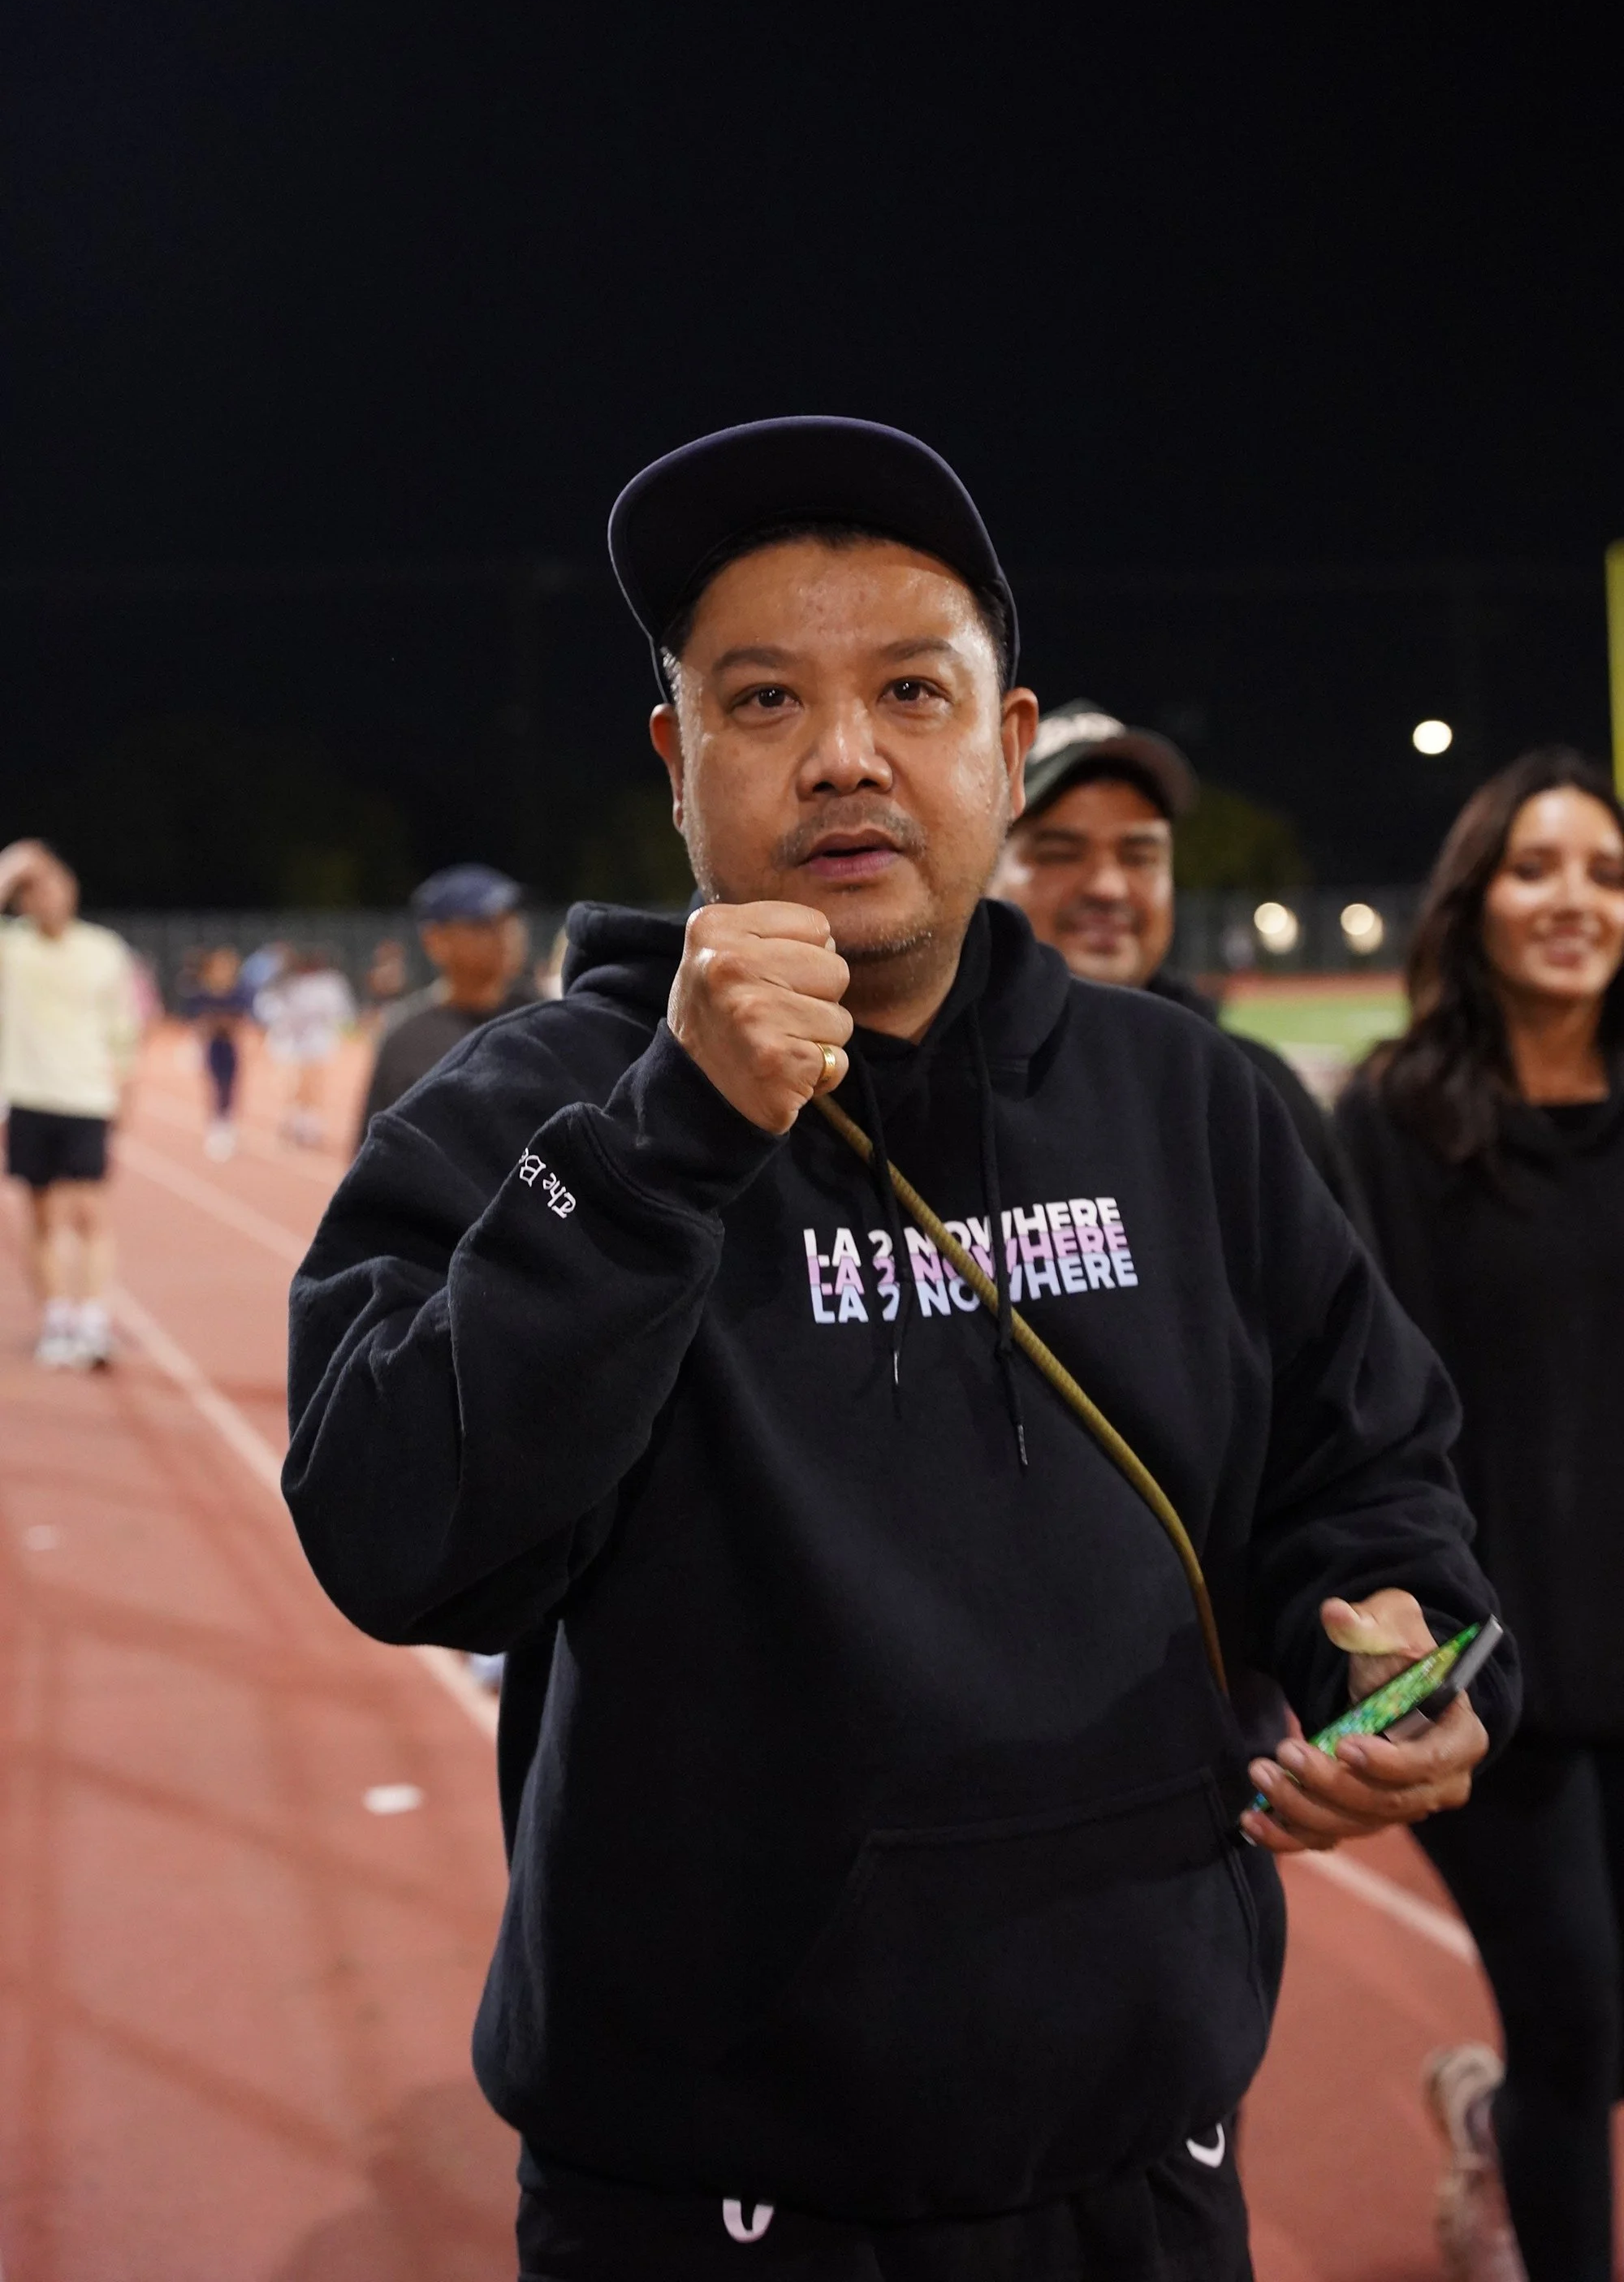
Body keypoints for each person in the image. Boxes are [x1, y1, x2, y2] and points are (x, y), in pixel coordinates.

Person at [284, 417, 1515, 2282]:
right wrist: (666, 1144)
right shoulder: (524, 1110)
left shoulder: (1191, 1096)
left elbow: (1367, 1463)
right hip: (705, 2196)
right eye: (762, 694)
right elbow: (394, 1535)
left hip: (1144, 2151)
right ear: (676, 764)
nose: (842, 750)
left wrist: (1395, 1620)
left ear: (1005, 747)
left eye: (910, 691)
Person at [1337, 747, 1624, 2282]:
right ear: (1476, 901)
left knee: (1606, 2035)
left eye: (1604, 872)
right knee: (1576, 2018)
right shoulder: (1397, 1122)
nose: (1572, 899)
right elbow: (1375, 1405)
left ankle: (1485, 2115)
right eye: (1536, 867)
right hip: (1501, 1666)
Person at [991, 701, 1351, 1196]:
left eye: (1140, 855)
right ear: (985, 873)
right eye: (1059, 854)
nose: (1109, 888)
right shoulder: (931, 1092)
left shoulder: (1249, 1090)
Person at [0, 838, 141, 1368]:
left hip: (86, 1096)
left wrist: (127, 1095)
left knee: (89, 1211)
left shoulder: (103, 949)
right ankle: (58, 1318)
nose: (49, 898)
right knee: (38, 1213)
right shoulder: (12, 948)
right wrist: (13, 866)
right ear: (24, 901)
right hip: (28, 1094)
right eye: (35, 891)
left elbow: (125, 1031)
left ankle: (92, 1318)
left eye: (56, 885)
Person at [357, 865, 531, 1143]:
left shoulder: (546, 1016)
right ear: (435, 940)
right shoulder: (405, 1042)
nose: (507, 933)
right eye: (483, 924)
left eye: (510, 919)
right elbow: (372, 1161)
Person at [256, 949, 355, 1148]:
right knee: (291, 1083)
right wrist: (283, 1021)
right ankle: (292, 1119)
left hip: (315, 1041)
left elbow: (340, 1011)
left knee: (313, 1082)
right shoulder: (281, 984)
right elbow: (267, 1008)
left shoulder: (327, 984)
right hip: (288, 1041)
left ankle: (309, 1123)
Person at [183, 945, 251, 1160]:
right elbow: (197, 1020)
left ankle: (227, 1123)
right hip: (212, 1046)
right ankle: (216, 1124)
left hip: (230, 1046)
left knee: (231, 1085)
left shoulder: (238, 991)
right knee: (214, 1084)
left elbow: (240, 1019)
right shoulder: (202, 992)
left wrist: (220, 1023)